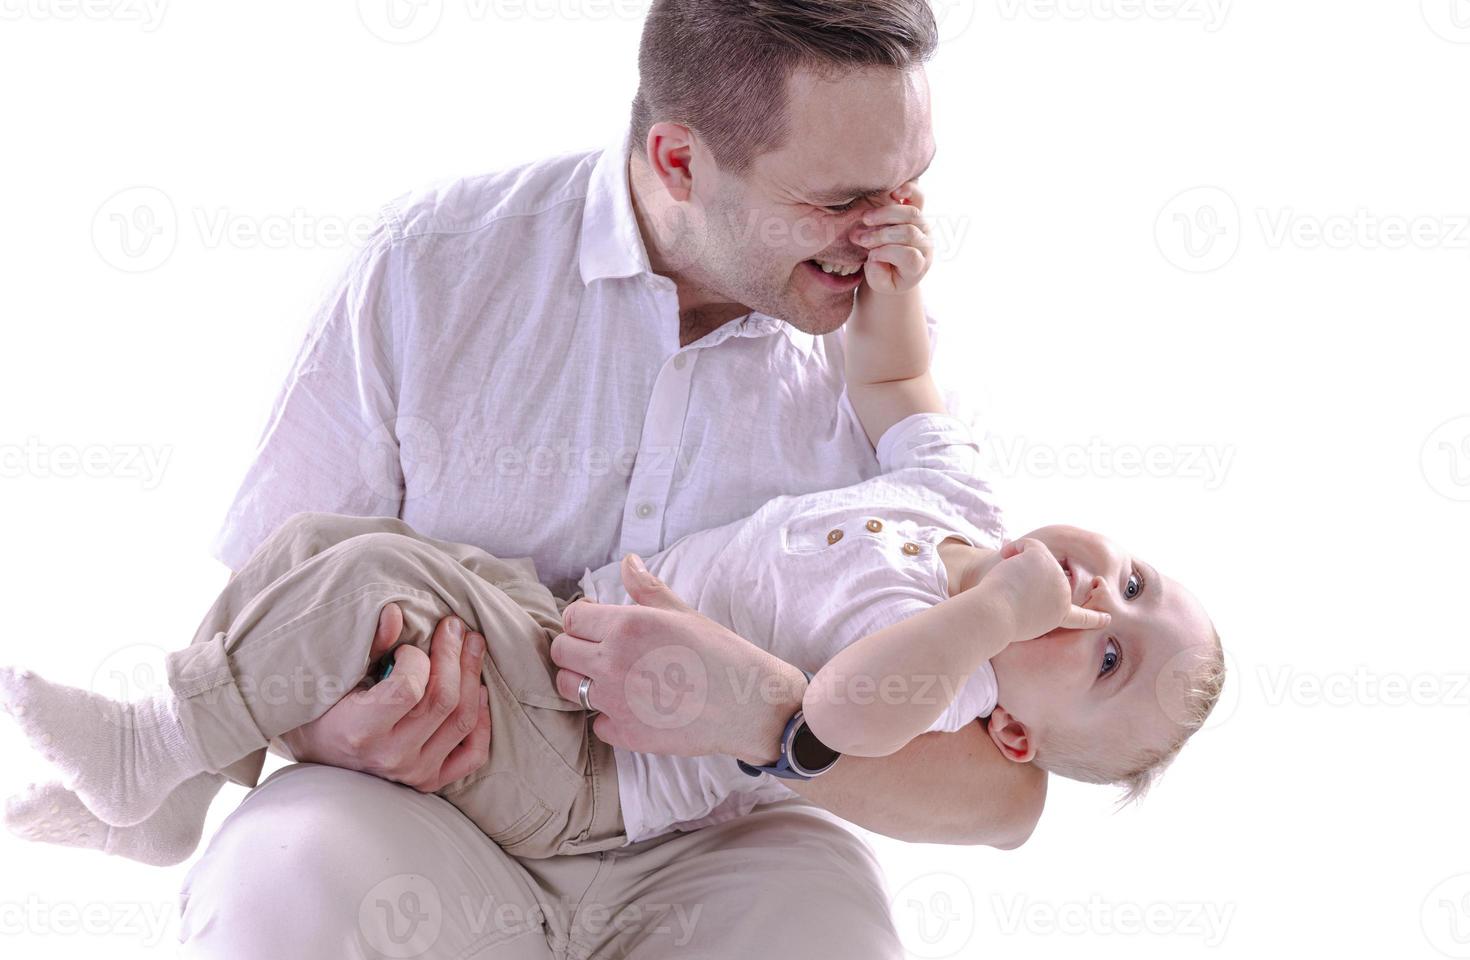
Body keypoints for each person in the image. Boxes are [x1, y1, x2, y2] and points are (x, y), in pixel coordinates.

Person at [101, 3, 1051, 960]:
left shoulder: (889, 362)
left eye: (910, 185)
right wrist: (327, 726)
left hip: (725, 844)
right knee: (277, 874)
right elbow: (268, 597)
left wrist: (770, 716)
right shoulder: (432, 268)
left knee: (831, 943)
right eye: (842, 199)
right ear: (681, 162)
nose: (889, 233)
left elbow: (1006, 790)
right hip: (433, 806)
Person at [0, 202, 1225, 869]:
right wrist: (895, 282)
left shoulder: (944, 679)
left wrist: (995, 617)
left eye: (1107, 653)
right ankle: (172, 796)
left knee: (363, 574)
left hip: (598, 765)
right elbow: (898, 386)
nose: (1096, 598)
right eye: (1134, 579)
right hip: (557, 631)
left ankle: (152, 739)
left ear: (1013, 728)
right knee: (323, 541)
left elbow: (834, 716)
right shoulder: (959, 506)